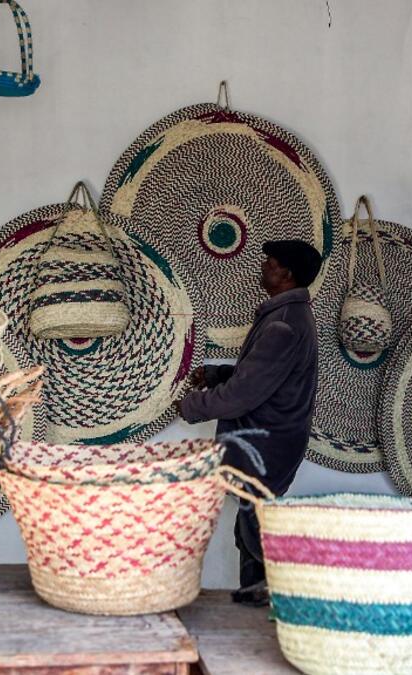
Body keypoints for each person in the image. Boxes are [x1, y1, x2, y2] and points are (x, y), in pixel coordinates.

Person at [176, 239, 321, 606]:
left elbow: (244, 394)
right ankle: (254, 605)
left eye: (270, 262)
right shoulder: (286, 318)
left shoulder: (283, 325)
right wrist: (216, 373)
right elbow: (265, 376)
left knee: (257, 533)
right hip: (269, 443)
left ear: (286, 273)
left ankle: (276, 607)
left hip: (264, 446)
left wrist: (192, 406)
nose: (264, 267)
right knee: (251, 528)